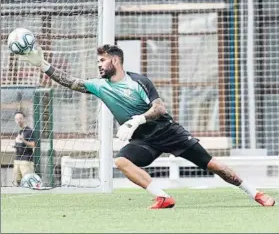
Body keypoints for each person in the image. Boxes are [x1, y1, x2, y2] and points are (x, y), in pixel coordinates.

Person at [19, 44, 275, 208]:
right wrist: (43, 65)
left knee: (214, 165)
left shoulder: (138, 82)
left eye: (102, 60)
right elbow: (71, 82)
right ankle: (162, 196)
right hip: (143, 143)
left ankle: (255, 193)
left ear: (116, 62)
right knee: (121, 161)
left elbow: (160, 108)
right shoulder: (99, 86)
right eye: (98, 61)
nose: (99, 65)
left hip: (168, 132)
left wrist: (136, 120)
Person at [13, 111, 36, 186]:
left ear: (24, 119)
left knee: (28, 182)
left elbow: (33, 144)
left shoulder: (29, 131)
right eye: (16, 119)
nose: (18, 120)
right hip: (17, 159)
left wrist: (23, 140)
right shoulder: (20, 131)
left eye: (20, 118)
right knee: (17, 182)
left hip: (26, 160)